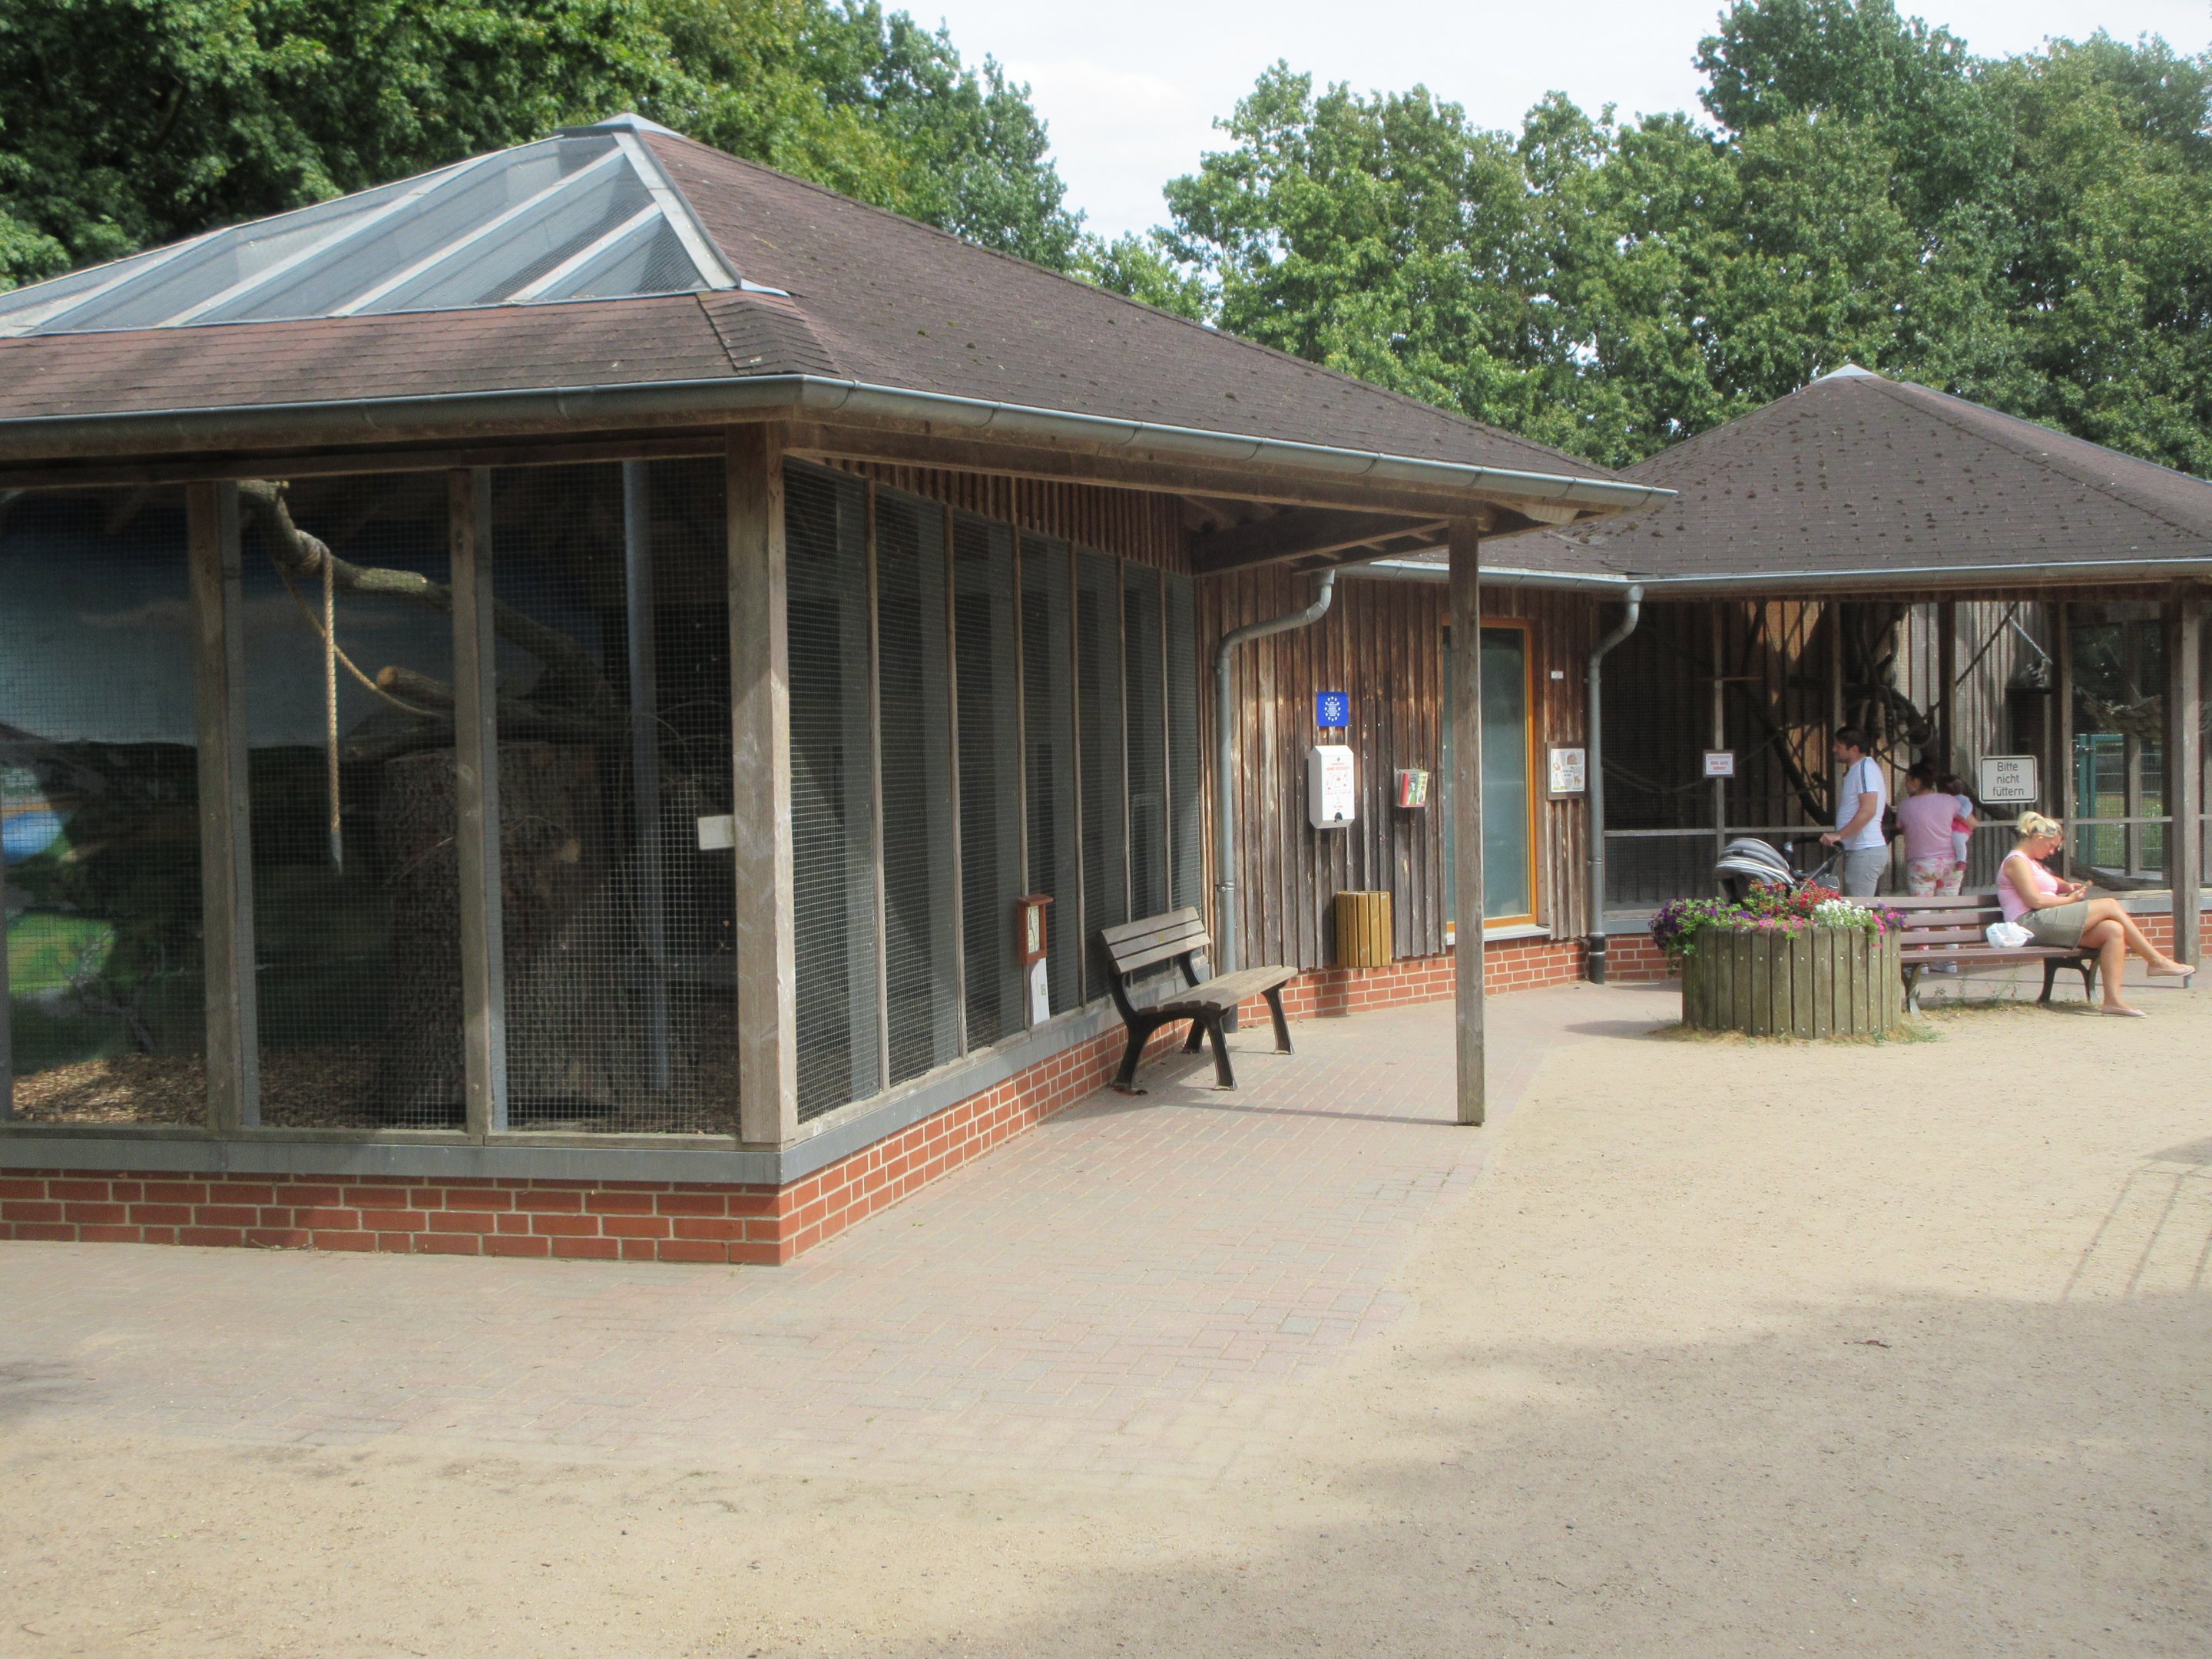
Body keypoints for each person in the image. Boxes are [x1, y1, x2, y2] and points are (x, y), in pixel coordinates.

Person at [2000, 811, 2195, 1016]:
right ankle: (2156, 961)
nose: (2052, 852)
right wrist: (2070, 900)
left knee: (2113, 930)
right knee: (2110, 904)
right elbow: (2035, 900)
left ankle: (2113, 1001)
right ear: (2038, 838)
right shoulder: (2016, 861)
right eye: (2051, 846)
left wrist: (2067, 886)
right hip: (2027, 924)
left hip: (2045, 920)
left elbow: (2048, 883)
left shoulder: (2032, 862)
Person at [1818, 726, 1888, 896]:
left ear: (1854, 749)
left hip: (1865, 849)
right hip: (1860, 850)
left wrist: (1839, 835)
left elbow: (1868, 809)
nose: (1834, 750)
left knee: (1860, 909)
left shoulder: (1865, 769)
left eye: (1838, 746)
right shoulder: (1858, 770)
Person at [1897, 761, 1964, 896]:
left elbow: (1900, 827)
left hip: (1921, 863)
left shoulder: (1905, 806)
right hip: (1951, 861)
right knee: (1949, 909)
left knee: (1921, 910)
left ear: (1916, 781)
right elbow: (1971, 823)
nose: (1905, 785)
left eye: (1907, 780)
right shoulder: (1950, 800)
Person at [1940, 771, 1979, 879]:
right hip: (1949, 827)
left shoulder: (1964, 801)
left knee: (1958, 839)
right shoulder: (1945, 799)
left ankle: (1961, 860)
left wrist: (1950, 812)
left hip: (1960, 828)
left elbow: (1962, 815)